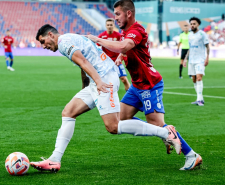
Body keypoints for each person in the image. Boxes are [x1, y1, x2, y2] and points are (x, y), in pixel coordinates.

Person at [30, 24, 181, 172]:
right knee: (68, 112)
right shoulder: (70, 38)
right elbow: (83, 64)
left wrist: (98, 82)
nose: (44, 46)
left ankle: (166, 133)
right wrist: (86, 87)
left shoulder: (63, 43)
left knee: (113, 126)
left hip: (104, 79)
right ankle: (54, 160)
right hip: (98, 80)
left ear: (51, 35)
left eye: (43, 41)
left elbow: (83, 62)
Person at [86, 0, 202, 170]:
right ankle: (164, 132)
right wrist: (121, 56)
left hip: (149, 85)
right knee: (121, 118)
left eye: (118, 14)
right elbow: (128, 48)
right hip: (137, 86)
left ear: (128, 13)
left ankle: (191, 155)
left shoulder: (136, 30)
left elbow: (125, 45)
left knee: (157, 125)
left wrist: (99, 40)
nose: (115, 18)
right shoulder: (126, 30)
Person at [183, 17, 210, 106]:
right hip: (192, 60)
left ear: (198, 24)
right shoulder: (190, 35)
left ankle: (199, 99)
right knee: (194, 79)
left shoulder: (202, 34)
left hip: (200, 60)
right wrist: (185, 59)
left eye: (194, 24)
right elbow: (190, 48)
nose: (192, 25)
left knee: (199, 78)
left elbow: (207, 46)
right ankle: (200, 98)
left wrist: (207, 58)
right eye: (191, 24)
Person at [98, 18, 130, 91]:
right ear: (106, 26)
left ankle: (131, 97)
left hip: (117, 62)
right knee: (105, 81)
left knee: (124, 79)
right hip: (106, 63)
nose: (109, 26)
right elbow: (96, 47)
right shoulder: (101, 36)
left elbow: (123, 47)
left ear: (113, 25)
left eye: (111, 25)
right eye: (108, 25)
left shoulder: (118, 36)